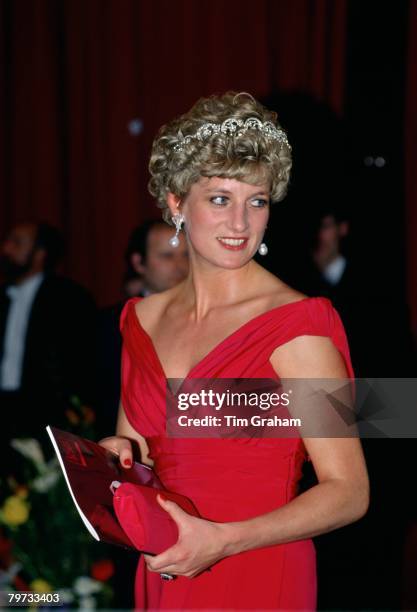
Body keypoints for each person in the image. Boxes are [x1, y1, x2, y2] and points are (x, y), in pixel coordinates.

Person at [100, 92, 369, 610]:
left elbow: (349, 491)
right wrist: (117, 456)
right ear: (177, 203)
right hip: (168, 564)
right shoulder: (141, 319)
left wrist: (222, 540)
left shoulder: (297, 324)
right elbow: (142, 456)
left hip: (258, 567)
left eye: (257, 200)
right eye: (220, 198)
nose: (241, 224)